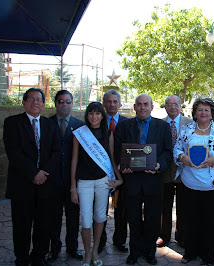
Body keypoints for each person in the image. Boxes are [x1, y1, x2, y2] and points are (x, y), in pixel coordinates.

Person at [174, 98, 214, 265]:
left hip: (212, 184)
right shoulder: (186, 129)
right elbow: (177, 148)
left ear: (212, 113)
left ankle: (208, 256)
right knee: (191, 220)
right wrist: (182, 156)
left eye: (206, 110)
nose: (203, 113)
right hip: (189, 182)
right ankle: (190, 252)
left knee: (209, 222)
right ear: (195, 112)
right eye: (200, 109)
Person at [3, 88, 60, 266]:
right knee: (22, 224)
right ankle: (21, 257)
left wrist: (43, 173)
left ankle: (39, 255)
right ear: (24, 102)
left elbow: (56, 152)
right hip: (22, 184)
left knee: (43, 223)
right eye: (31, 99)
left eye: (39, 99)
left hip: (45, 183)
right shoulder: (12, 123)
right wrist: (33, 173)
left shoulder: (50, 124)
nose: (35, 102)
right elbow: (13, 153)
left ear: (44, 103)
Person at [114, 93, 173, 265]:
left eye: (146, 104)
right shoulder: (124, 126)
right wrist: (121, 164)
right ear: (134, 107)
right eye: (139, 104)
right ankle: (135, 252)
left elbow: (167, 152)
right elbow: (118, 149)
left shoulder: (162, 127)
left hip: (153, 180)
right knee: (133, 218)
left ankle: (149, 252)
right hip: (131, 180)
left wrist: (158, 165)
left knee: (153, 219)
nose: (142, 107)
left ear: (152, 106)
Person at [70, 102, 123, 266]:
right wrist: (73, 187)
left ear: (102, 115)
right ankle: (87, 253)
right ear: (87, 115)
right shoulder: (80, 134)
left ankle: (94, 252)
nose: (94, 117)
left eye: (97, 113)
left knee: (100, 217)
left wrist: (119, 178)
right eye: (91, 113)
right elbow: (74, 160)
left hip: (102, 181)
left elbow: (112, 159)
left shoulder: (108, 134)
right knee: (86, 219)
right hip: (84, 182)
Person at [48, 90, 84, 262]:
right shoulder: (46, 123)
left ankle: (72, 248)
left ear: (72, 104)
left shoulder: (80, 125)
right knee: (53, 218)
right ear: (55, 103)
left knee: (73, 217)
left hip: (72, 181)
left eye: (68, 102)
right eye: (61, 101)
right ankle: (54, 249)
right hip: (52, 180)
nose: (64, 105)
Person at [156, 95, 193, 248]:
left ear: (180, 106)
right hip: (165, 171)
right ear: (165, 107)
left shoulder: (190, 123)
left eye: (175, 104)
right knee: (164, 206)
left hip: (184, 171)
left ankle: (182, 236)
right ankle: (164, 235)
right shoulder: (159, 124)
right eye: (169, 104)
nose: (172, 107)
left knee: (183, 206)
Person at [99, 89, 129, 254]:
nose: (111, 104)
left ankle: (120, 240)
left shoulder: (127, 122)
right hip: (102, 173)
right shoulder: (96, 121)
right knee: (101, 209)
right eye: (108, 101)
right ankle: (101, 241)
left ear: (119, 104)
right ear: (104, 104)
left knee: (121, 210)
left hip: (123, 172)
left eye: (115, 101)